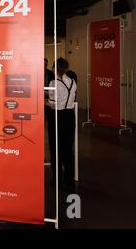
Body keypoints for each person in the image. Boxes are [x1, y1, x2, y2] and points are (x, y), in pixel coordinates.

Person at [47, 57, 77, 187]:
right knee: (68, 149)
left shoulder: (53, 83)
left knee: (56, 149)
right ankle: (69, 179)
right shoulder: (72, 81)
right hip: (70, 117)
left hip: (57, 117)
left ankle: (57, 179)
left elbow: (52, 104)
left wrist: (40, 101)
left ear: (55, 68)